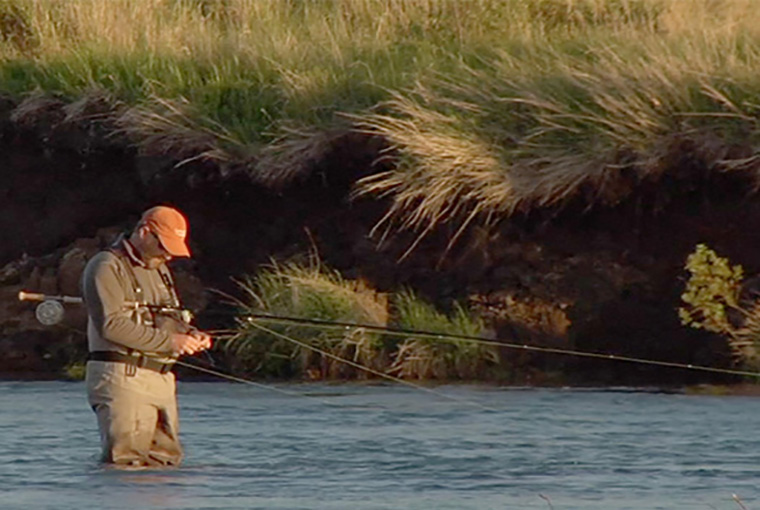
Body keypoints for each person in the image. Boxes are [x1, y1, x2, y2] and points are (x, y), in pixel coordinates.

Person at [81, 205, 211, 467]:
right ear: (144, 232)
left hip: (160, 379)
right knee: (125, 465)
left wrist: (189, 334)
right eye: (163, 245)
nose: (168, 255)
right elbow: (112, 325)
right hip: (123, 377)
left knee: (166, 464)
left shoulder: (160, 268)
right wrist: (171, 342)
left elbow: (168, 317)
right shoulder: (106, 266)